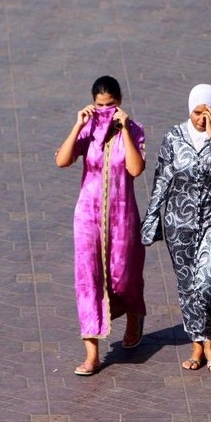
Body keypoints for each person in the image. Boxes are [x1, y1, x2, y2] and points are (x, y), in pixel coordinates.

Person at [141, 84, 211, 375]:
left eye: (206, 113)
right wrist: (150, 220)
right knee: (187, 287)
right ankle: (203, 343)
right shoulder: (173, 137)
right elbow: (161, 179)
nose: (200, 118)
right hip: (178, 222)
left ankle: (206, 336)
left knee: (209, 282)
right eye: (196, 113)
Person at [55, 75, 147, 376]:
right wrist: (78, 125)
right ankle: (92, 352)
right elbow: (62, 160)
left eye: (110, 105)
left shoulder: (133, 130)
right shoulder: (89, 128)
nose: (104, 110)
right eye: (99, 105)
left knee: (124, 275)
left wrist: (125, 129)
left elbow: (135, 168)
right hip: (87, 215)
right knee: (88, 279)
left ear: (119, 103)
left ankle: (134, 315)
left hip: (122, 215)